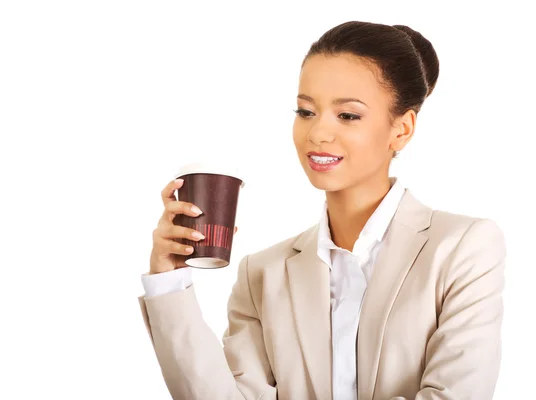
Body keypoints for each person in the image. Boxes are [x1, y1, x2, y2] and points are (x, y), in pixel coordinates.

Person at [138, 21, 506, 400]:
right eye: (305, 111)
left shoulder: (463, 248)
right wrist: (168, 278)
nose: (317, 134)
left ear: (402, 129)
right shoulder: (263, 274)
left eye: (347, 115)